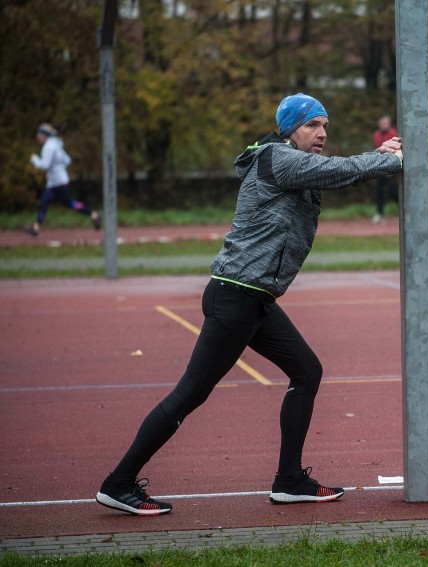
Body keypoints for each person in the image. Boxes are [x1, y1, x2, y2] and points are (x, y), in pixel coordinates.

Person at [95, 93, 404, 516]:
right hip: (236, 296)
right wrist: (388, 159)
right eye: (313, 125)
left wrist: (381, 155)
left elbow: (331, 173)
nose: (322, 133)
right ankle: (119, 482)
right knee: (191, 392)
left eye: (325, 125)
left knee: (306, 370)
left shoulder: (293, 165)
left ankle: (289, 480)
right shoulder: (278, 158)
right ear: (290, 129)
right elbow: (341, 170)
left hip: (253, 298)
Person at [26, 123, 100, 237]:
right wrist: (58, 167)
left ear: (45, 135)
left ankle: (93, 214)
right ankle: (36, 229)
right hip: (56, 182)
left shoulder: (48, 147)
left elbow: (45, 165)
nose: (37, 137)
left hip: (58, 182)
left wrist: (35, 159)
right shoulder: (56, 145)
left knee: (69, 203)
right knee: (44, 203)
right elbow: (67, 160)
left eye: (39, 134)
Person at [371, 114, 399, 224]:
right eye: (382, 123)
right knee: (379, 191)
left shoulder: (393, 133)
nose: (384, 125)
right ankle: (380, 214)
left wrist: (391, 168)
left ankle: (404, 210)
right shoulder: (376, 135)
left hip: (392, 169)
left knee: (394, 192)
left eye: (386, 123)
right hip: (381, 168)